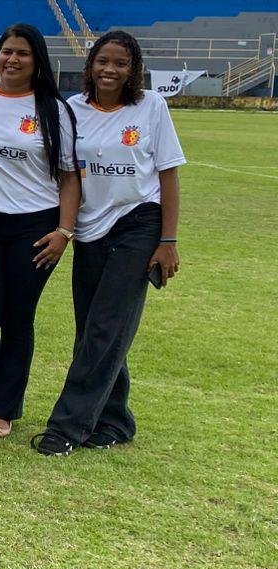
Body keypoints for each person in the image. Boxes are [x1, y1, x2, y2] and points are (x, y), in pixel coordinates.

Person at [32, 31, 185, 456]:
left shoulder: (150, 106)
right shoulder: (72, 110)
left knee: (106, 326)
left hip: (139, 222)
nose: (110, 70)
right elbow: (67, 176)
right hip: (89, 228)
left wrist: (167, 240)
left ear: (133, 69)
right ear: (90, 64)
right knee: (93, 329)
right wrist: (66, 229)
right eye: (103, 61)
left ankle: (67, 427)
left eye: (121, 63)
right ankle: (115, 419)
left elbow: (168, 175)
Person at [0, 24, 80, 439]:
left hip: (33, 227)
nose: (12, 59)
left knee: (16, 318)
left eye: (22, 54)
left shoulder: (54, 109)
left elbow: (68, 178)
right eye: (6, 51)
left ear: (37, 61)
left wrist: (64, 231)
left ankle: (3, 408)